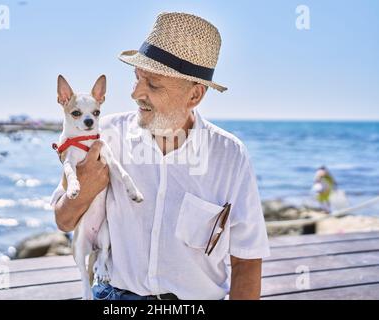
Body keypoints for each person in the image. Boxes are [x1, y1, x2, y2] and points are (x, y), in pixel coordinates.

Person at [52, 12, 270, 300]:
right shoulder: (103, 135)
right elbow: (63, 221)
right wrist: (85, 187)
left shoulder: (230, 156)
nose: (135, 93)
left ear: (194, 95)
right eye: (137, 78)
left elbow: (247, 260)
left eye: (153, 85)